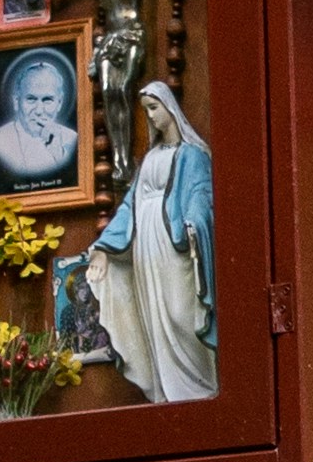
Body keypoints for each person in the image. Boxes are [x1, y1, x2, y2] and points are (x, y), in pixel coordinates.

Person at [57, 82, 215, 404]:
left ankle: (199, 387)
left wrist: (193, 225)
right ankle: (166, 391)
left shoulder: (192, 155)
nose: (151, 116)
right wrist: (103, 248)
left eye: (154, 108)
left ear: (170, 108)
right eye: (146, 110)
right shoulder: (151, 158)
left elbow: (201, 194)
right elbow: (129, 206)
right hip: (146, 247)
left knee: (180, 313)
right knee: (154, 318)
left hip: (176, 246)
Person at [31, 0, 200, 191]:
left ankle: (129, 159)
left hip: (131, 34)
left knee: (123, 90)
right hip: (111, 38)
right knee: (109, 92)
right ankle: (121, 162)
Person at [0, 46, 80, 189]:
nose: (39, 111)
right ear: (16, 101)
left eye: (47, 100)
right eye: (31, 99)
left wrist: (59, 154)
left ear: (59, 103)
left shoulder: (73, 140)